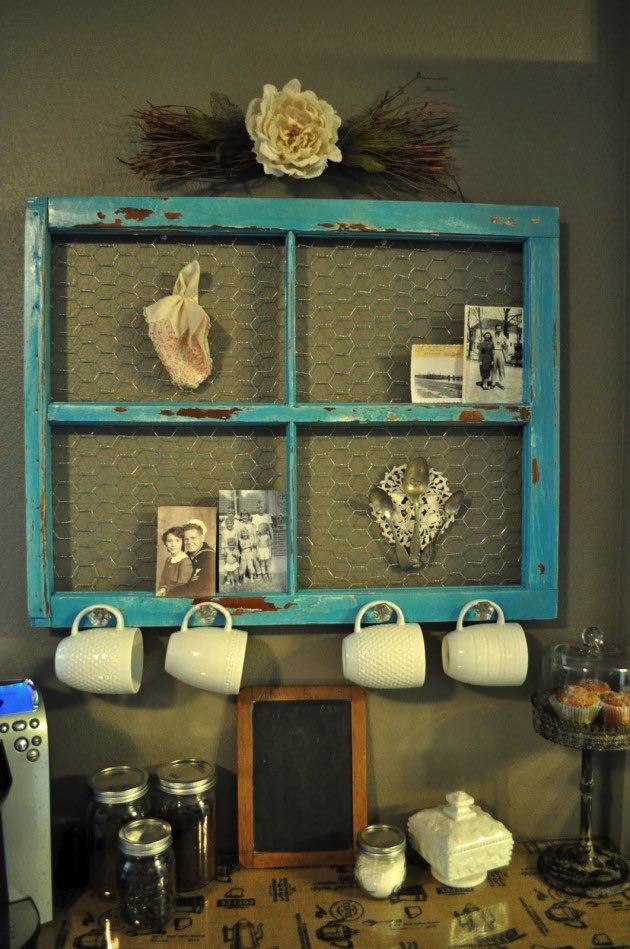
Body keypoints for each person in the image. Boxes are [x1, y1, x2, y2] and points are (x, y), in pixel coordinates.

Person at [174, 520, 216, 596]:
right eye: (186, 539)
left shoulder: (209, 557)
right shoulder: (186, 556)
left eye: (193, 538)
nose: (189, 542)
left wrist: (170, 591)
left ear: (202, 538)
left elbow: (195, 589)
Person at [157, 526, 193, 597]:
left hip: (177, 597)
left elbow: (181, 587)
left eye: (177, 541)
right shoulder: (168, 559)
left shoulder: (185, 562)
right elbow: (162, 580)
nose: (173, 545)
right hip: (165, 595)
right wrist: (162, 588)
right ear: (166, 543)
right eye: (169, 541)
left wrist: (165, 589)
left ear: (182, 543)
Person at [491, 323, 508, 390]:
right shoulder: (492, 336)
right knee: (494, 368)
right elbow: (491, 345)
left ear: (501, 329)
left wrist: (504, 345)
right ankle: (493, 383)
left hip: (500, 352)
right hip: (494, 352)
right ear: (495, 329)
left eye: (499, 329)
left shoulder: (504, 337)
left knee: (501, 369)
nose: (498, 330)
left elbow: (506, 347)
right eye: (497, 329)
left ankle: (502, 384)